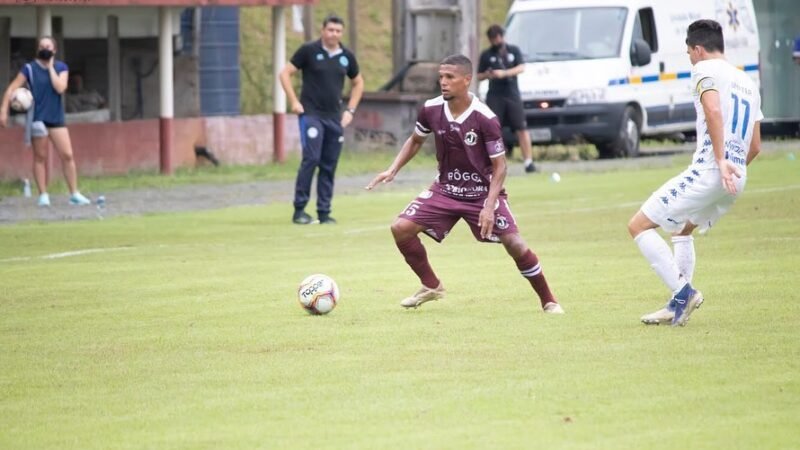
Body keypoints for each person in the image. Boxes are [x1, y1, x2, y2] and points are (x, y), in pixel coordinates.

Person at [366, 54, 563, 314]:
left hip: (482, 192)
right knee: (401, 228)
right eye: (441, 77)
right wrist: (393, 169)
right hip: (446, 189)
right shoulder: (431, 109)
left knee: (515, 244)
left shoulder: (484, 117)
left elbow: (500, 166)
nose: (443, 82)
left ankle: (548, 300)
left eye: (450, 77)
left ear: (466, 80)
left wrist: (489, 205)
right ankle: (431, 285)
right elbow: (415, 140)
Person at [628, 19, 762, 327]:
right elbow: (755, 145)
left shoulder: (704, 70)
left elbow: (713, 110)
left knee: (638, 226)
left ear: (698, 50)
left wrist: (719, 161)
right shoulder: (749, 83)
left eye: (689, 52)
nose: (689, 58)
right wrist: (732, 169)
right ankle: (677, 305)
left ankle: (683, 292)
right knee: (682, 231)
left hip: (711, 171)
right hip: (736, 176)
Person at [279, 14, 364, 225]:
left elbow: (358, 83)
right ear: (323, 30)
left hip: (334, 118)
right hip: (311, 115)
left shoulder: (346, 56)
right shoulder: (309, 50)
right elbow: (285, 73)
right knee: (311, 159)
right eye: (330, 30)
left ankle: (324, 212)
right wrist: (294, 101)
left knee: (329, 164)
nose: (334, 34)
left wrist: (350, 111)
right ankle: (299, 210)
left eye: (338, 31)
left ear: (341, 33)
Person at [0, 36, 91, 207]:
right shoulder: (29, 68)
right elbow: (11, 89)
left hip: (56, 119)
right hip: (37, 119)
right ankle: (43, 195)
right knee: (40, 157)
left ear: (54, 50)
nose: (45, 49)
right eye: (42, 46)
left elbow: (60, 88)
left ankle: (74, 193)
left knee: (68, 155)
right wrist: (3, 110)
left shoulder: (61, 67)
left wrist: (50, 68)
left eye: (48, 47)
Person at [477, 25, 536, 174]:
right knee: (493, 130)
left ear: (503, 36)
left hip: (512, 94)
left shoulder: (513, 50)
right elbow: (478, 75)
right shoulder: (486, 54)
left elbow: (521, 67)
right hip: (495, 96)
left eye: (499, 37)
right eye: (494, 38)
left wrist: (504, 73)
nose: (497, 41)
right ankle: (495, 164)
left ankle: (529, 162)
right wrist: (489, 74)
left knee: (521, 128)